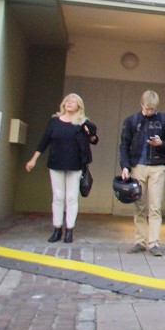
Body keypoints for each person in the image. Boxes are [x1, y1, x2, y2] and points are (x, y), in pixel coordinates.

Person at [24, 94, 97, 243]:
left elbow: (94, 139)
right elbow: (44, 141)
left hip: (75, 164)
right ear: (63, 104)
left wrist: (90, 134)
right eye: (68, 101)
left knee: (71, 197)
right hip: (56, 163)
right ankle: (57, 228)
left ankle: (69, 229)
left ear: (79, 106)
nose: (70, 103)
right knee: (58, 197)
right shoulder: (54, 121)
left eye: (74, 101)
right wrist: (33, 159)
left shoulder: (83, 122)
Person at [119, 90, 165, 256]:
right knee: (139, 205)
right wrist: (125, 166)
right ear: (141, 104)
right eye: (147, 109)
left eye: (152, 109)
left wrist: (161, 143)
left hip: (157, 166)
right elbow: (124, 145)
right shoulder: (131, 121)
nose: (150, 112)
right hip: (138, 166)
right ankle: (140, 241)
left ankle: (154, 242)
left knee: (155, 206)